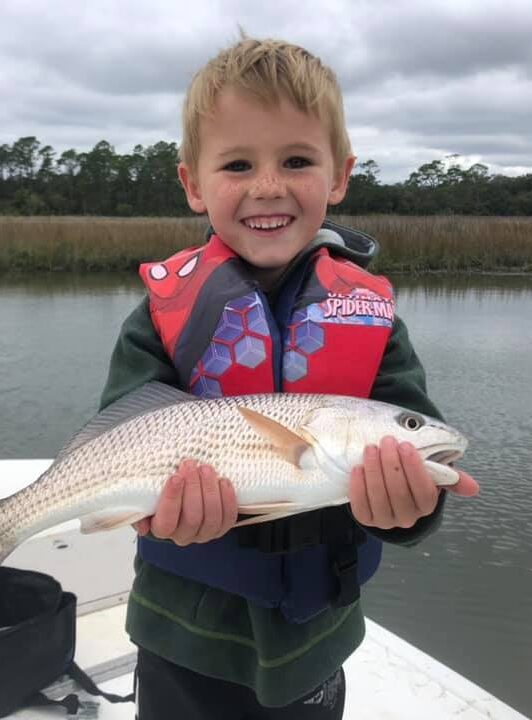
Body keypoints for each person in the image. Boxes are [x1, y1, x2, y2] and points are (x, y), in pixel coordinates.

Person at [100, 36, 479, 720]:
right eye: (238, 163)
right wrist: (165, 513)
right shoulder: (156, 319)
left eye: (297, 161)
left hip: (316, 629)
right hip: (180, 626)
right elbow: (123, 437)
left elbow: (410, 455)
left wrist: (414, 507)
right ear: (192, 184)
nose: (268, 186)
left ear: (339, 177)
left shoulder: (372, 323)